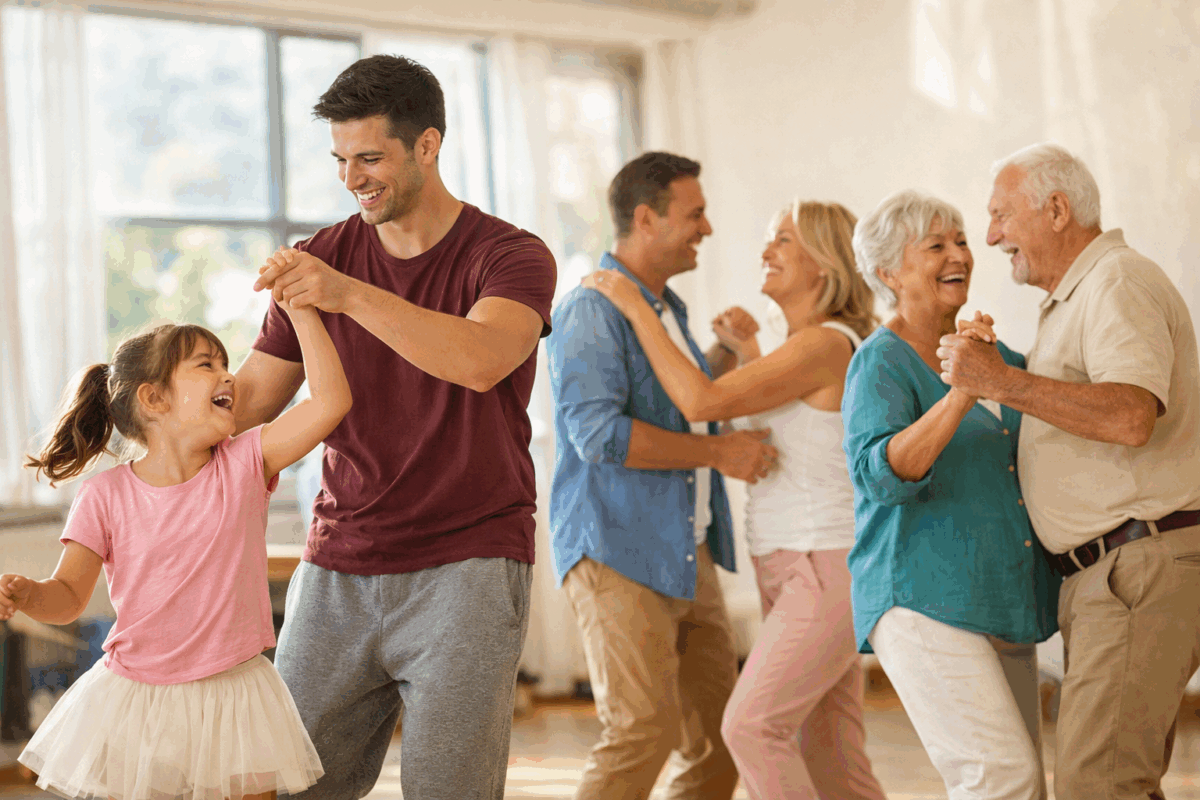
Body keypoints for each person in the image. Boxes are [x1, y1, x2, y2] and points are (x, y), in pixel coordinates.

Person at [236, 55, 556, 800]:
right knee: (294, 786)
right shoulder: (321, 258)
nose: (353, 178)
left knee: (450, 790)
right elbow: (252, 400)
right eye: (341, 160)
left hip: (470, 564)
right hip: (338, 564)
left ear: (427, 146)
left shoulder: (510, 255)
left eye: (371, 158)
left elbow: (481, 359)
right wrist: (148, 411)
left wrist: (347, 295)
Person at [585, 198, 886, 800]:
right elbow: (783, 439)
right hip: (795, 565)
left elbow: (702, 401)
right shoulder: (800, 348)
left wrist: (635, 307)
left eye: (783, 240)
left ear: (824, 263)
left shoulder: (825, 344)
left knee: (751, 728)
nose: (766, 249)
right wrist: (747, 355)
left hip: (824, 566)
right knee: (830, 752)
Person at [0, 304, 350, 800]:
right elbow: (68, 598)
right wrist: (30, 595)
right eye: (207, 364)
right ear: (154, 398)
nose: (228, 375)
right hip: (137, 701)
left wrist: (302, 312)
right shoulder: (103, 496)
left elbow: (331, 402)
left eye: (225, 363)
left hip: (237, 694)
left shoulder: (247, 462)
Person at [937, 143, 1200, 800]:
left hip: (1135, 563)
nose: (990, 236)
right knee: (1116, 780)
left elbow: (1131, 415)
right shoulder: (1079, 295)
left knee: (1097, 784)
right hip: (1115, 571)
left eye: (1001, 215)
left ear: (1056, 210)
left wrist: (1001, 380)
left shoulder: (1116, 281)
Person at [547, 151, 777, 800]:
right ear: (646, 219)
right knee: (642, 729)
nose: (707, 228)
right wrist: (720, 454)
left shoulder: (665, 307)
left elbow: (677, 405)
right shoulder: (591, 310)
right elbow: (600, 435)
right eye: (695, 214)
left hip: (687, 547)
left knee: (722, 739)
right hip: (615, 547)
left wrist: (720, 358)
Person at [841, 190, 1059, 800]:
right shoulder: (880, 363)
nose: (958, 254)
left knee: (1022, 782)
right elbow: (881, 475)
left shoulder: (998, 356)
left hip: (999, 596)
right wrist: (962, 392)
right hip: (920, 598)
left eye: (960, 241)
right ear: (889, 272)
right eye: (935, 245)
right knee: (1000, 777)